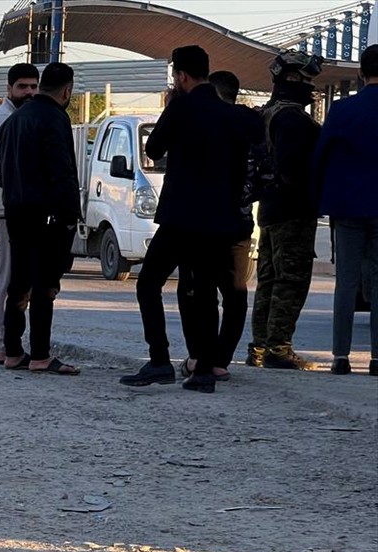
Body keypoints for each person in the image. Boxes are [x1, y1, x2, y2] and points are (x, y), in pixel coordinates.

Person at [119, 45, 249, 393]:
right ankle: (204, 370)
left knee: (148, 283)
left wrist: (172, 109)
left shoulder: (181, 107)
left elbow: (153, 149)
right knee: (205, 293)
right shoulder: (234, 116)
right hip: (218, 218)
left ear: (181, 76)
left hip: (180, 218)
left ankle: (159, 360)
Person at [174, 70, 265, 382]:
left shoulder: (203, 122)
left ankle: (198, 355)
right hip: (239, 224)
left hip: (200, 224)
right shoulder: (249, 124)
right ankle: (220, 360)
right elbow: (261, 176)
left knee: (195, 291)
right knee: (235, 293)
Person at [0, 61, 81, 375]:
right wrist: (70, 215)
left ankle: (13, 351)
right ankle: (41, 355)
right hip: (48, 216)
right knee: (45, 286)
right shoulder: (56, 119)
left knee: (18, 285)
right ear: (67, 91)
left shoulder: (14, 120)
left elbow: (2, 170)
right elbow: (62, 171)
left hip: (16, 212)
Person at [248, 50, 323, 371]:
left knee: (269, 279)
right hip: (293, 209)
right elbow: (292, 168)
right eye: (307, 81)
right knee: (290, 280)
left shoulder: (268, 114)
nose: (310, 88)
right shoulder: (293, 119)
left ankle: (260, 348)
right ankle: (279, 348)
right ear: (292, 79)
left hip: (270, 208)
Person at [312, 44, 378, 376]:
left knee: (347, 282)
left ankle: (340, 356)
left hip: (348, 208)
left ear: (360, 74)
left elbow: (321, 156)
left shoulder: (342, 110)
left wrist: (318, 199)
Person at [0, 63, 39, 364]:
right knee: (8, 278)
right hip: (7, 208)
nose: (28, 92)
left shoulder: (16, 116)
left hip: (9, 205)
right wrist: (21, 188)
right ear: (9, 89)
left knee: (0, 278)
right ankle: (4, 345)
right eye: (22, 87)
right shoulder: (3, 118)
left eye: (33, 87)